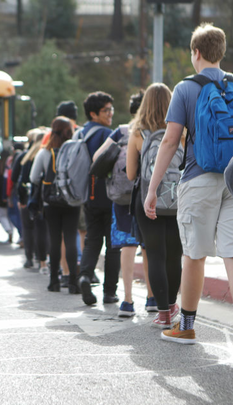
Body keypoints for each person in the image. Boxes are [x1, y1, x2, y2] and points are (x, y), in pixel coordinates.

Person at [144, 23, 233, 354]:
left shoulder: (185, 89)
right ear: (221, 52)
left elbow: (170, 141)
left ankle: (187, 326)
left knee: (194, 255)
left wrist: (153, 189)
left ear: (195, 53)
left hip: (199, 178)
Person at [93, 90, 156, 317]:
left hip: (122, 197)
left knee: (127, 246)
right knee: (148, 246)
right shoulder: (157, 131)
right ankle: (151, 297)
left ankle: (128, 300)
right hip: (149, 195)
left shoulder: (120, 131)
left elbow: (98, 157)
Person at [128, 83, 184, 326]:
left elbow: (131, 174)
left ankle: (162, 313)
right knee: (175, 255)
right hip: (179, 199)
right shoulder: (182, 131)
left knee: (156, 255)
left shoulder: (137, 134)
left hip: (148, 202)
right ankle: (173, 307)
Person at [77, 91, 121, 305]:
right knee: (113, 244)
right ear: (93, 113)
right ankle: (109, 292)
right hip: (108, 195)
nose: (110, 113)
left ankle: (85, 275)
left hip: (87, 195)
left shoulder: (79, 134)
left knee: (92, 240)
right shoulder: (106, 134)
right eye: (106, 110)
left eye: (111, 109)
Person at [29, 117, 80, 292]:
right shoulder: (75, 150)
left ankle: (54, 281)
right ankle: (73, 282)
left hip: (51, 202)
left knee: (55, 239)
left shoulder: (45, 153)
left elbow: (34, 177)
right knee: (71, 239)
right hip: (72, 200)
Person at [13, 129, 49, 272]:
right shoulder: (47, 154)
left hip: (28, 197)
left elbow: (18, 179)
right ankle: (43, 259)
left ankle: (29, 258)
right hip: (43, 197)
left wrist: (21, 199)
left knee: (28, 228)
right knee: (43, 229)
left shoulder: (26, 157)